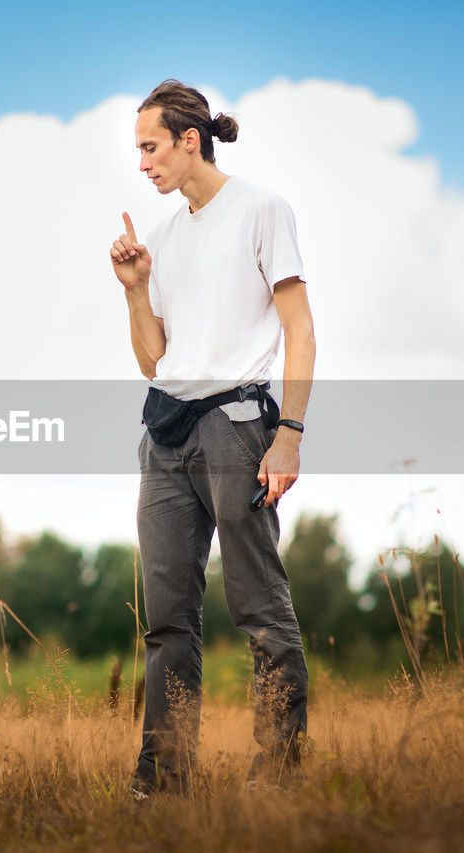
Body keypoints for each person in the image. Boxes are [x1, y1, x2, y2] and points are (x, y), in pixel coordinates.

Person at [109, 79, 315, 796]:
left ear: (189, 141)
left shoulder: (262, 210)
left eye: (150, 146)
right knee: (167, 618)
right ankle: (163, 780)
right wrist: (136, 287)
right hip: (165, 434)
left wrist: (287, 433)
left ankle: (280, 776)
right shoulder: (162, 238)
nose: (142, 163)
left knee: (259, 604)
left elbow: (299, 330)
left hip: (239, 429)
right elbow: (153, 359)